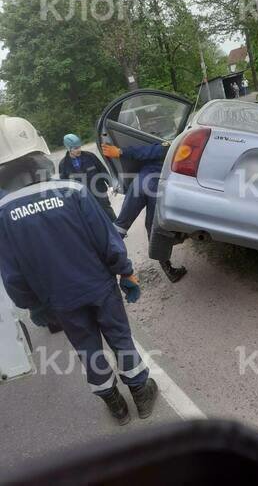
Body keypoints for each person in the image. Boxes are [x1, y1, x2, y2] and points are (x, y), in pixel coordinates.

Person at [0, 138, 158, 425]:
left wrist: (34, 306)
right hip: (99, 286)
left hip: (59, 300)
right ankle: (140, 393)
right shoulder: (72, 191)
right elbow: (107, 240)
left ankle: (116, 406)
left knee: (87, 348)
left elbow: (12, 275)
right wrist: (125, 271)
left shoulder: (3, 214)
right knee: (120, 338)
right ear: (39, 156)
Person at [102, 142, 187, 283]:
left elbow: (145, 151)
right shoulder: (181, 148)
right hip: (156, 188)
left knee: (121, 224)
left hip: (139, 183)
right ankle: (169, 270)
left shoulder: (167, 144)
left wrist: (120, 151)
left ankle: (101, 259)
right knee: (154, 231)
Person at [59, 134, 116, 222]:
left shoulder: (90, 156)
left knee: (106, 210)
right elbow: (63, 184)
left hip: (98, 190)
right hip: (81, 196)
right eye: (75, 148)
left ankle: (117, 228)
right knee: (90, 216)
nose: (79, 150)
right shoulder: (63, 164)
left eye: (79, 147)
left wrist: (111, 185)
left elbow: (102, 170)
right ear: (68, 149)